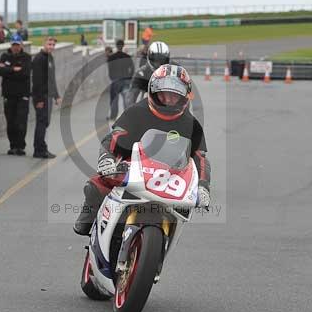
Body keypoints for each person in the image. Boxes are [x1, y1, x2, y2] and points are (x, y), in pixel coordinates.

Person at [73, 64, 212, 236]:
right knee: (95, 186)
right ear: (153, 91)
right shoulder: (136, 112)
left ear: (185, 96)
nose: (169, 99)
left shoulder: (191, 124)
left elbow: (200, 158)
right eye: (164, 93)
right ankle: (88, 219)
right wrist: (106, 158)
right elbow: (113, 138)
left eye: (174, 95)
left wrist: (203, 186)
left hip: (171, 176)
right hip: (132, 166)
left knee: (185, 206)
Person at [0, 38, 31, 155]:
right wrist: (13, 69)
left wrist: (8, 71)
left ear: (21, 45)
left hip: (22, 95)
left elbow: (24, 73)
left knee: (21, 121)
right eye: (14, 45)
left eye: (18, 45)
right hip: (8, 94)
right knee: (10, 121)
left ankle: (20, 146)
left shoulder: (26, 57)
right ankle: (13, 146)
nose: (15, 47)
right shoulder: (5, 56)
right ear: (11, 45)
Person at [31, 37, 61, 158]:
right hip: (41, 96)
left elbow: (51, 79)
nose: (51, 47)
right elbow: (36, 80)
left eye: (53, 45)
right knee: (42, 122)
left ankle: (41, 147)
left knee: (45, 122)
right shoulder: (39, 59)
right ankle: (39, 150)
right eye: (49, 44)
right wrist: (39, 99)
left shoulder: (50, 58)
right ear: (44, 44)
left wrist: (56, 95)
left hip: (48, 95)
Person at [127, 41, 170, 105]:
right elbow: (132, 95)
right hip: (147, 108)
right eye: (156, 60)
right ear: (150, 58)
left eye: (162, 60)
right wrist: (131, 108)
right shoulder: (141, 73)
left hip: (168, 107)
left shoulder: (172, 71)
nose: (159, 63)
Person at [107, 39, 134, 120]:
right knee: (127, 99)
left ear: (116, 46)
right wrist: (130, 77)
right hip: (126, 80)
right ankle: (127, 116)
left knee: (114, 100)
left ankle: (113, 116)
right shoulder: (127, 57)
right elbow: (132, 68)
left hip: (115, 80)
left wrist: (112, 77)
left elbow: (110, 69)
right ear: (123, 46)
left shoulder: (111, 57)